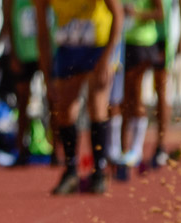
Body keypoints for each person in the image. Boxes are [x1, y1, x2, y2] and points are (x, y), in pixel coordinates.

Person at [35, 0, 123, 195]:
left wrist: (107, 58)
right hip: (69, 49)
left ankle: (99, 171)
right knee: (64, 110)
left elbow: (118, 15)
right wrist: (47, 75)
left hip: (99, 46)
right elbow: (42, 34)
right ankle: (71, 170)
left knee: (97, 105)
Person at [117, 0, 163, 170]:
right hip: (123, 42)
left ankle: (136, 150)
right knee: (123, 98)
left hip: (142, 43)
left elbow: (159, 14)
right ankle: (123, 148)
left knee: (135, 94)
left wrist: (136, 13)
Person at [0, 0, 46, 164]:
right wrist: (13, 53)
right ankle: (21, 150)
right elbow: (8, 23)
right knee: (22, 102)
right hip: (23, 54)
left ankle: (58, 151)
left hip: (44, 52)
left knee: (55, 100)